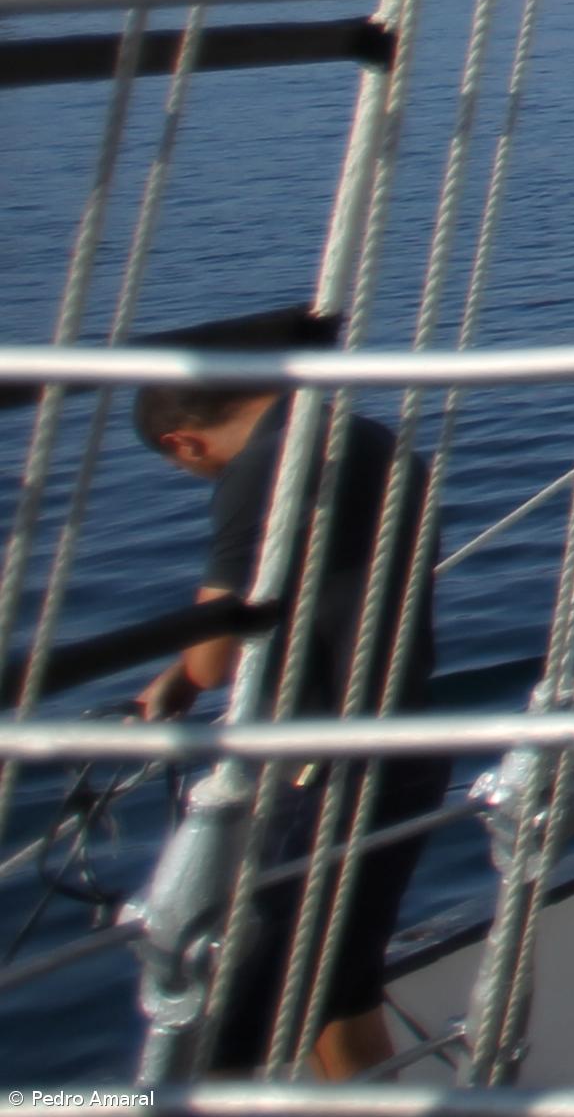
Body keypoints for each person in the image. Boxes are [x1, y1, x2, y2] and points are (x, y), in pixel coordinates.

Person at [138, 381, 446, 1076]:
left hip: (320, 775)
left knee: (229, 1037)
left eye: (187, 467)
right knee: (341, 991)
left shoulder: (260, 469)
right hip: (407, 750)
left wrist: (185, 677)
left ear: (182, 442)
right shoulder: (368, 438)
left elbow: (214, 658)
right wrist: (181, 678)